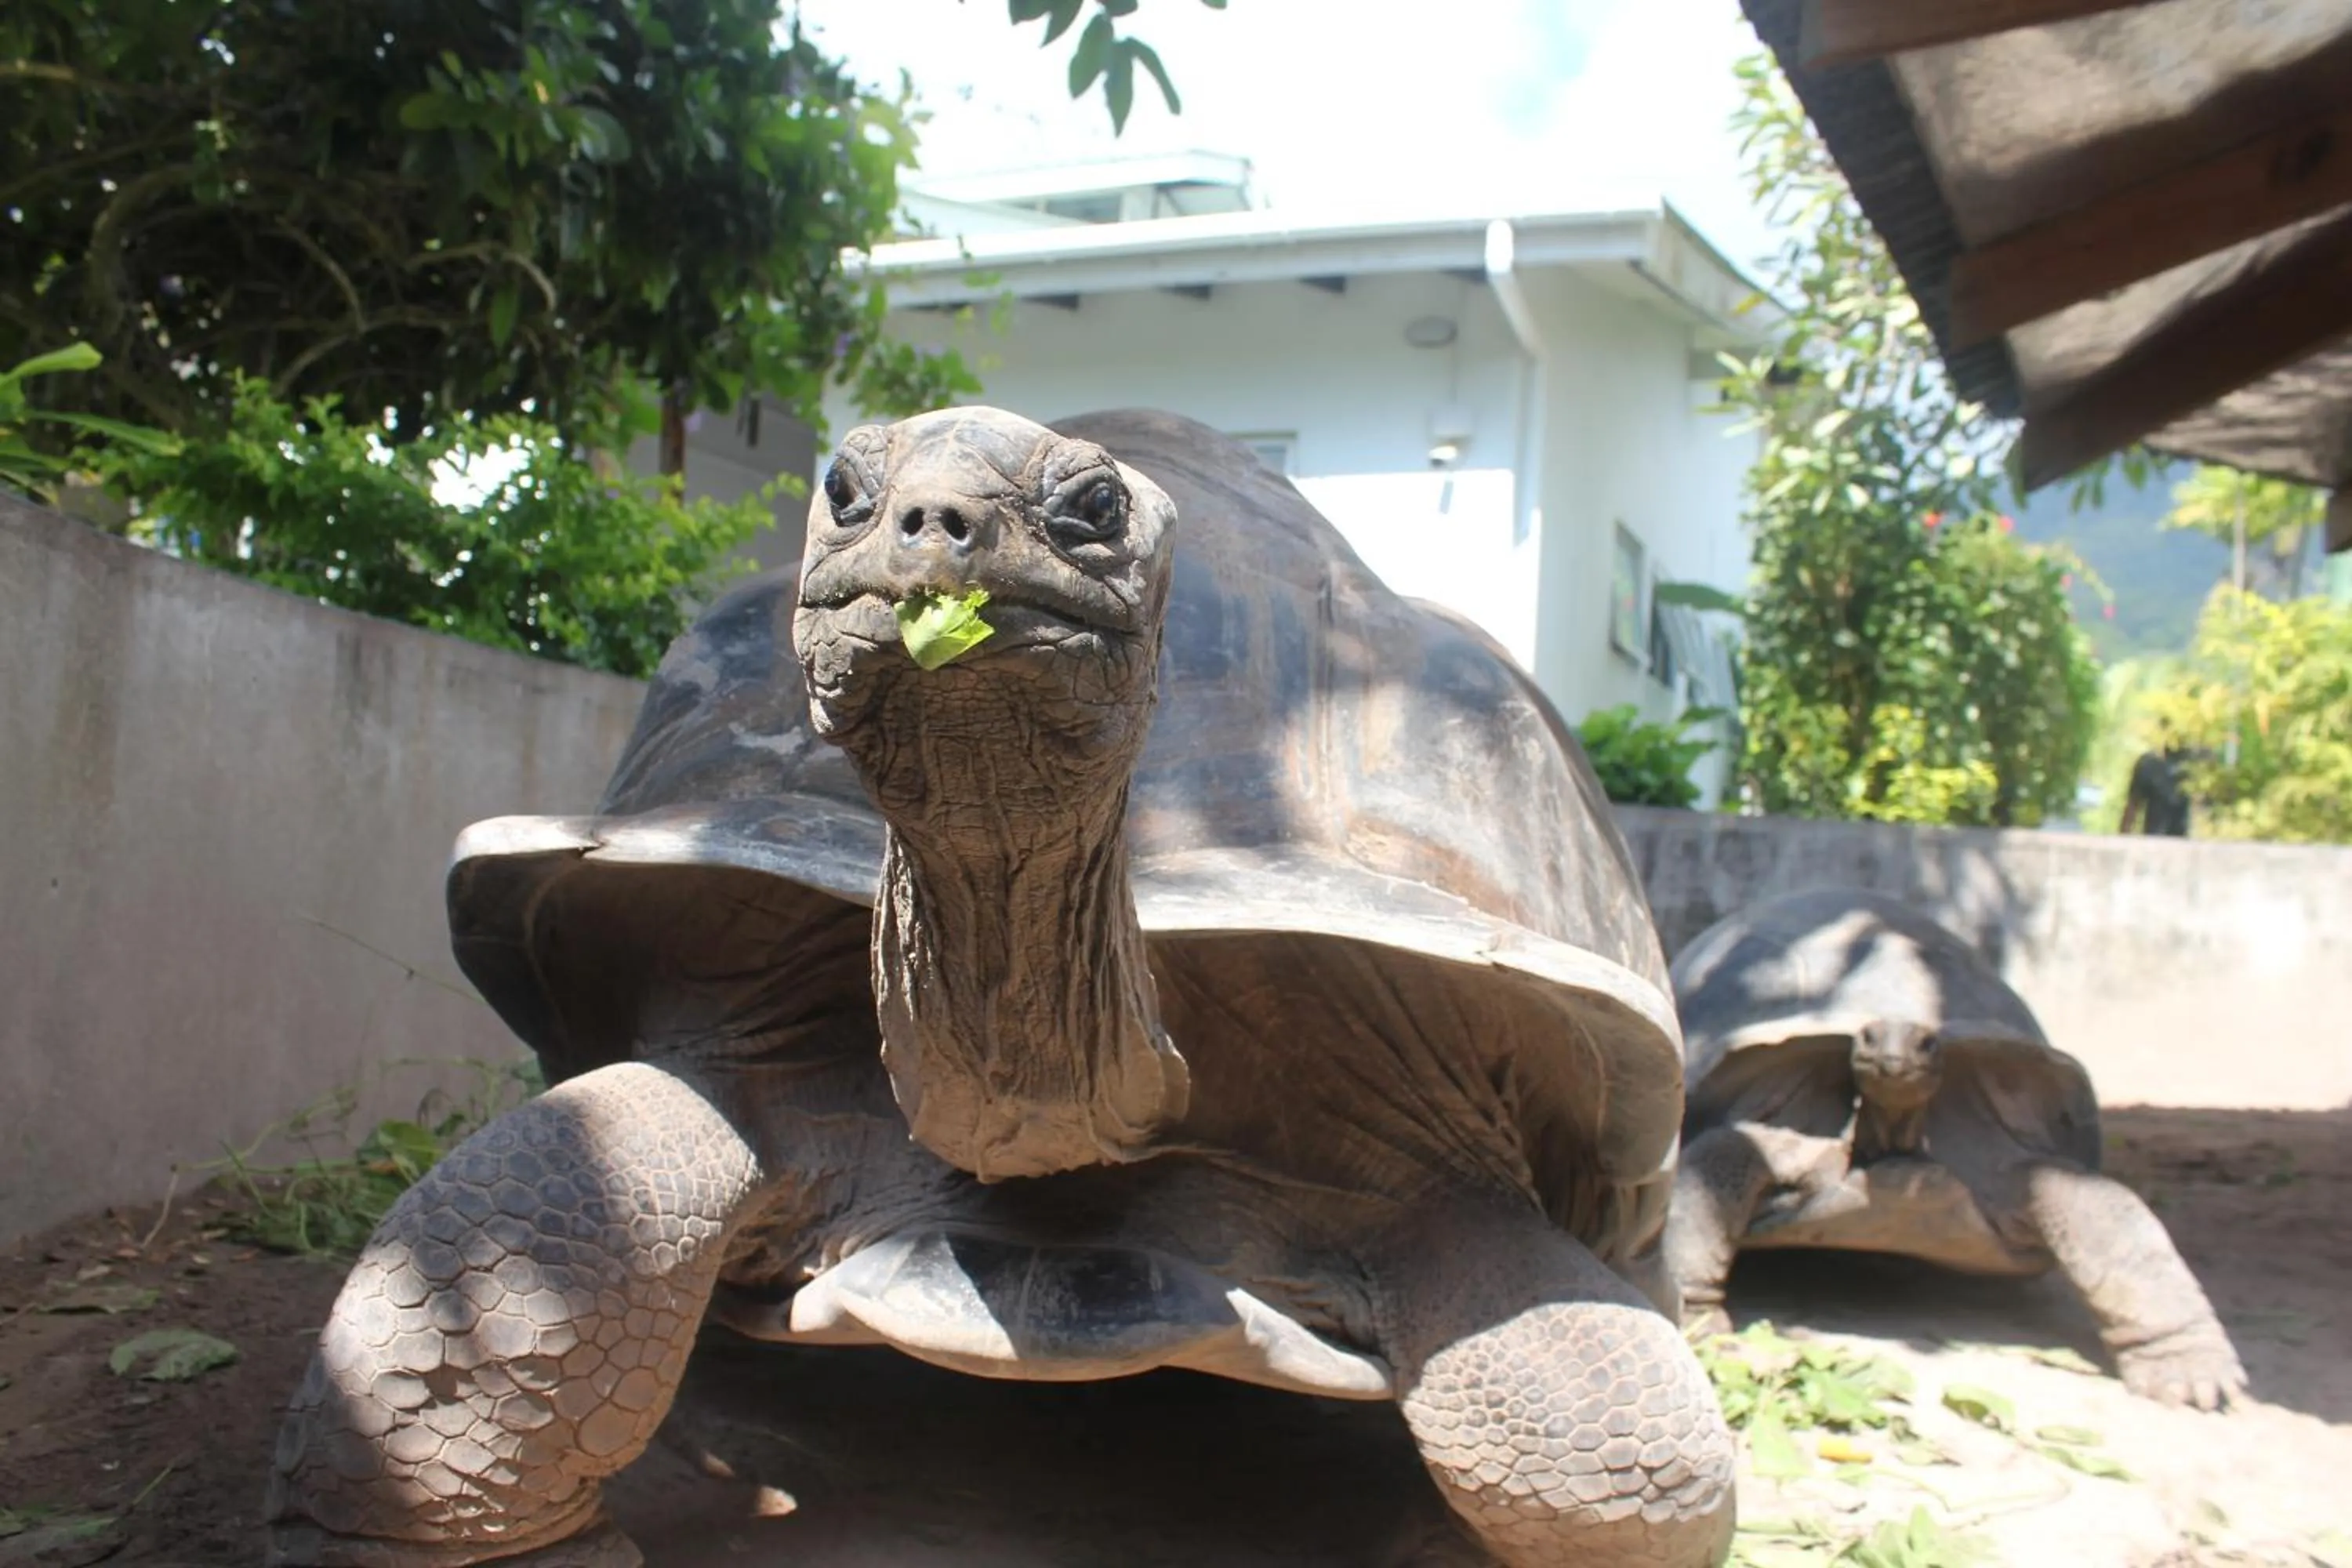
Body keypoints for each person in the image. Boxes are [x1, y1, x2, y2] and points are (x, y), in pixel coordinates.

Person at [2119, 744, 2192, 837]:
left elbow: (2133, 806)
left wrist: (2123, 836)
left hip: (2156, 836)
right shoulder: (2149, 765)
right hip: (2165, 837)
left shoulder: (2148, 764)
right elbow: (2133, 805)